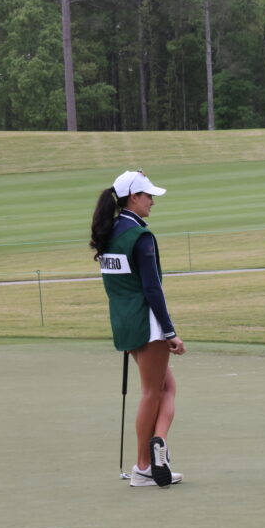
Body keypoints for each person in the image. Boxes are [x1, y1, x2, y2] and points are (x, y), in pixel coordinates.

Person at [90, 170, 185, 488]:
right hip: (147, 321)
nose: (152, 202)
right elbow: (152, 288)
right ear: (133, 197)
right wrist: (170, 331)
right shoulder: (140, 236)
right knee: (154, 392)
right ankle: (147, 460)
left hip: (123, 320)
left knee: (164, 387)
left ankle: (154, 452)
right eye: (148, 196)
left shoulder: (109, 232)